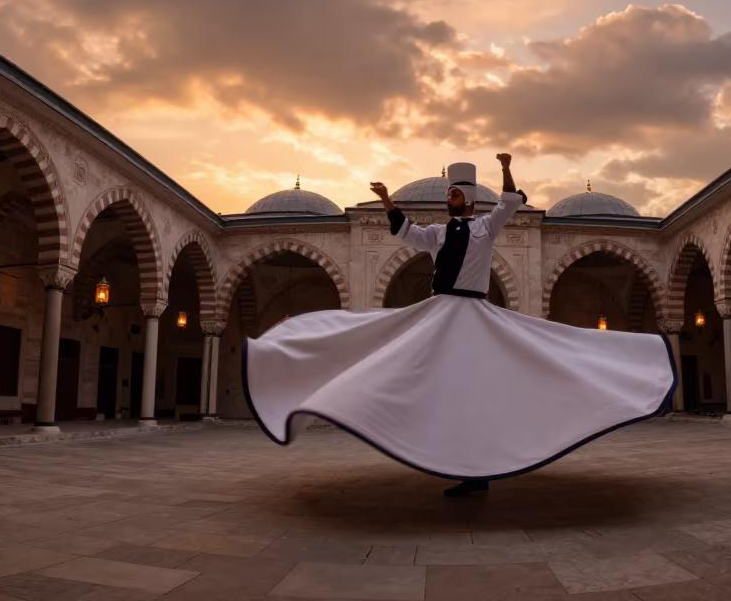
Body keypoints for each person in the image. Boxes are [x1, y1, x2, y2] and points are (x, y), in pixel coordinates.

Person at [242, 154, 677, 498]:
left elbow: (509, 203)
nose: (449, 197)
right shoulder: (437, 234)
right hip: (441, 311)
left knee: (512, 371)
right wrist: (388, 200)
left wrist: (506, 169)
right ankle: (460, 466)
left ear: (466, 199)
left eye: (454, 193)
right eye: (447, 192)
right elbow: (406, 232)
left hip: (472, 313)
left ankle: (479, 472)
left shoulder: (485, 228)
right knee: (373, 342)